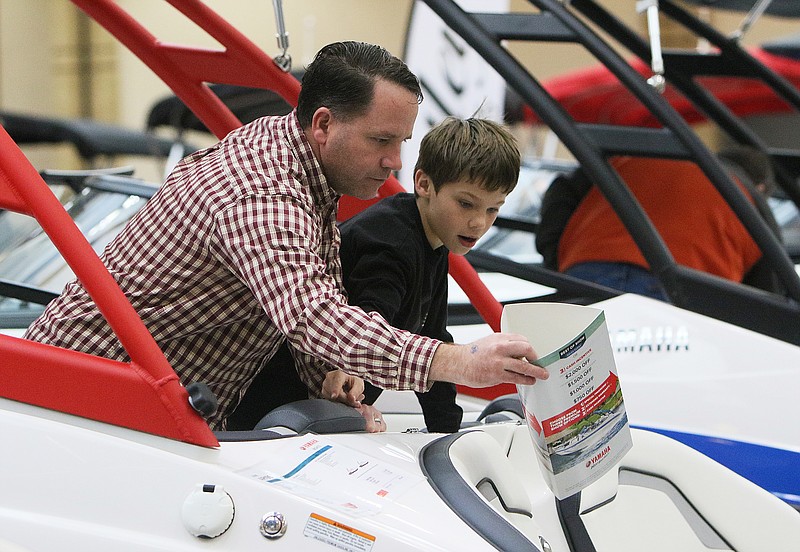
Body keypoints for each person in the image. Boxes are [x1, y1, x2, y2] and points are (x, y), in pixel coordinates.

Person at [24, 41, 547, 431]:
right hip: (82, 402)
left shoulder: (298, 162)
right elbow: (314, 315)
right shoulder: (262, 193)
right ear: (323, 125)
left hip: (146, 401)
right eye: (382, 140)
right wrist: (463, 363)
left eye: (401, 142)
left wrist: (327, 371)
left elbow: (298, 307)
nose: (395, 162)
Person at [536, 146, 782, 300]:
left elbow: (562, 190)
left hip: (584, 272)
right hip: (678, 290)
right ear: (761, 187)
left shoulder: (644, 156)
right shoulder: (749, 200)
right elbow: (768, 303)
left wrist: (556, 259)